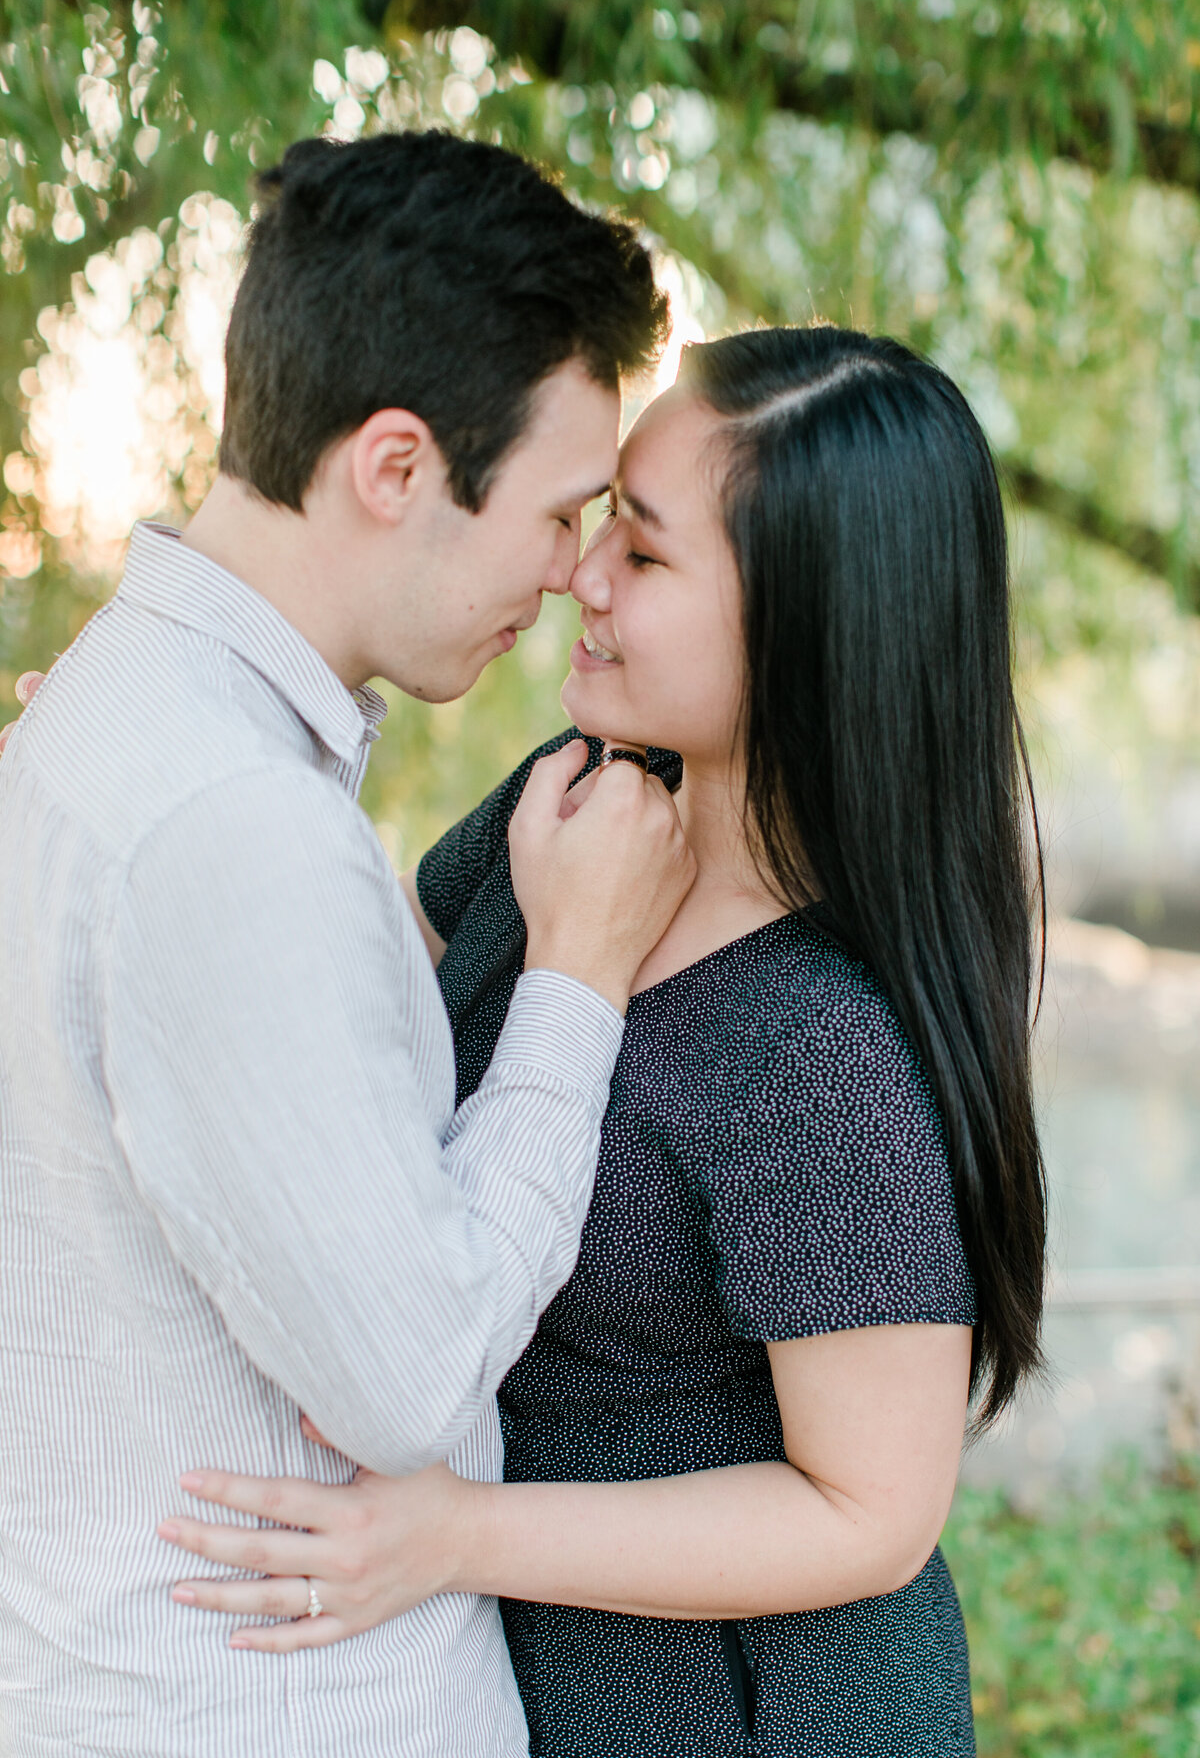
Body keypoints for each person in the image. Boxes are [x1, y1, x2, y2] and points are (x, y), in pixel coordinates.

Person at [152, 325, 1048, 1758]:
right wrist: (181, 781)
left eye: (645, 549)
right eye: (598, 523)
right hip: (511, 1679)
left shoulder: (821, 1049)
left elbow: (871, 1516)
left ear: (810, 625)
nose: (581, 574)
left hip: (754, 1714)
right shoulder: (575, 796)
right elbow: (353, 1002)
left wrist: (458, 1536)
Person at [0, 131, 697, 1758]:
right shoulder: (230, 821)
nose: (573, 571)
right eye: (555, 508)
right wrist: (578, 979)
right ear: (396, 466)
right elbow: (409, 1377)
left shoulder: (106, 725)